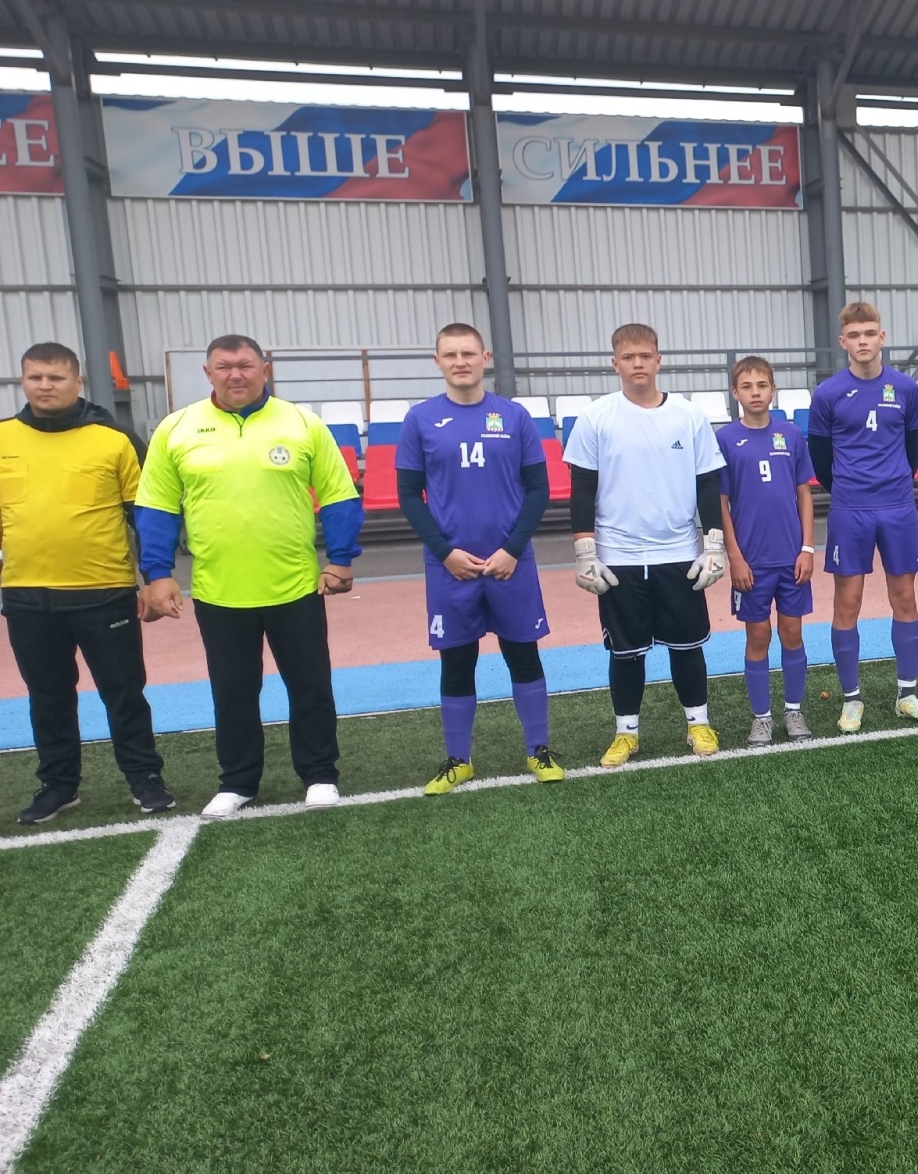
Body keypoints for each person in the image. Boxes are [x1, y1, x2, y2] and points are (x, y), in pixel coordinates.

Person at [136, 334, 360, 817]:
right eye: (224, 366)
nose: (235, 374)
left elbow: (339, 494)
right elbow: (156, 506)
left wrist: (341, 558)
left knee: (310, 686)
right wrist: (157, 572)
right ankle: (238, 781)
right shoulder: (177, 429)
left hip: (295, 586)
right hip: (219, 591)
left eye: (245, 365)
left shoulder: (302, 423)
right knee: (233, 692)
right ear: (208, 373)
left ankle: (319, 774)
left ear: (265, 369)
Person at [0, 342, 172, 825]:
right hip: (26, 596)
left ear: (78, 382)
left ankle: (145, 778)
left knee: (123, 692)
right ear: (23, 381)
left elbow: (146, 515)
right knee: (47, 696)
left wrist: (154, 579)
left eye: (56, 377)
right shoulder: (3, 437)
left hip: (104, 593)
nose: (45, 386)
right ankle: (59, 786)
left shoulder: (114, 439)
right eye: (35, 377)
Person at [396, 323, 562, 795]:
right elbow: (409, 495)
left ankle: (539, 750)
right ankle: (459, 760)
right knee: (456, 661)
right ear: (437, 361)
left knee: (523, 655)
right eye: (450, 354)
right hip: (451, 567)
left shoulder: (514, 416)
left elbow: (539, 488)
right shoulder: (420, 419)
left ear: (485, 357)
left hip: (511, 562)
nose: (460, 362)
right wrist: (445, 552)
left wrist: (512, 549)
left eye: (468, 353)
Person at [564, 323, 729, 766]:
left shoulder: (689, 416)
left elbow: (708, 482)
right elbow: (582, 488)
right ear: (615, 363)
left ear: (658, 360)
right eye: (628, 357)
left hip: (678, 552)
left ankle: (698, 724)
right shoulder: (596, 417)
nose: (637, 363)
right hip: (618, 555)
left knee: (687, 646)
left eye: (645, 356)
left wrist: (714, 546)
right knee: (626, 652)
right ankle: (626, 734)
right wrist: (584, 552)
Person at [807, 302, 918, 732]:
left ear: (882, 337)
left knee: (905, 597)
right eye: (855, 335)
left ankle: (907, 694)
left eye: (870, 333)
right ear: (842, 341)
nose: (863, 341)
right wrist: (850, 488)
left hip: (898, 508)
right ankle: (852, 700)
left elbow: (913, 448)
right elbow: (821, 458)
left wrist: (892, 483)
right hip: (850, 510)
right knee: (847, 602)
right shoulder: (828, 394)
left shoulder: (904, 388)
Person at [719, 356, 816, 746]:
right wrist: (735, 556)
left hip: (791, 557)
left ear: (773, 389)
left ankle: (793, 711)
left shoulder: (790, 435)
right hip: (751, 561)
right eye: (747, 386)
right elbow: (720, 503)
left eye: (762, 385)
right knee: (758, 635)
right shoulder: (726, 439)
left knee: (792, 632)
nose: (755, 392)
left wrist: (807, 548)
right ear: (735, 393)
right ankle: (761, 718)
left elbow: (804, 494)